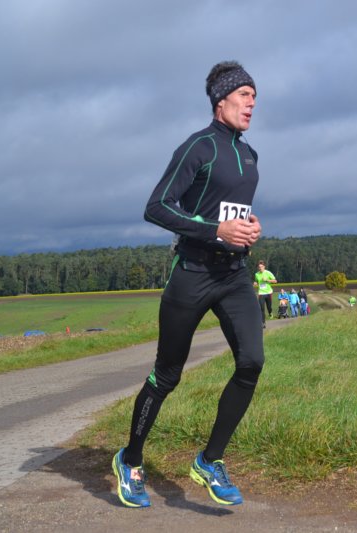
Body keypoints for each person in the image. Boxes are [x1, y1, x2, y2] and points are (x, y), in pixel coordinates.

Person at [113, 61, 263, 509]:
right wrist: (215, 231)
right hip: (193, 273)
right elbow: (157, 206)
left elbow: (229, 211)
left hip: (234, 275)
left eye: (255, 98)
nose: (252, 104)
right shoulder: (199, 147)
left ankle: (210, 461)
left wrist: (249, 227)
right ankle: (130, 459)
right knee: (167, 375)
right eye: (244, 96)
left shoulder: (250, 156)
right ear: (221, 101)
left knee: (251, 362)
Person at [253, 261, 277, 327]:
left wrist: (267, 280)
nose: (260, 268)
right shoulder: (256, 274)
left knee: (269, 307)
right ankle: (263, 323)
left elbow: (275, 281)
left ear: (264, 267)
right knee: (261, 308)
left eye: (261, 267)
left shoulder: (268, 273)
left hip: (268, 292)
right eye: (259, 267)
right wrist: (255, 283)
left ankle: (270, 312)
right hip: (261, 293)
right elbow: (256, 281)